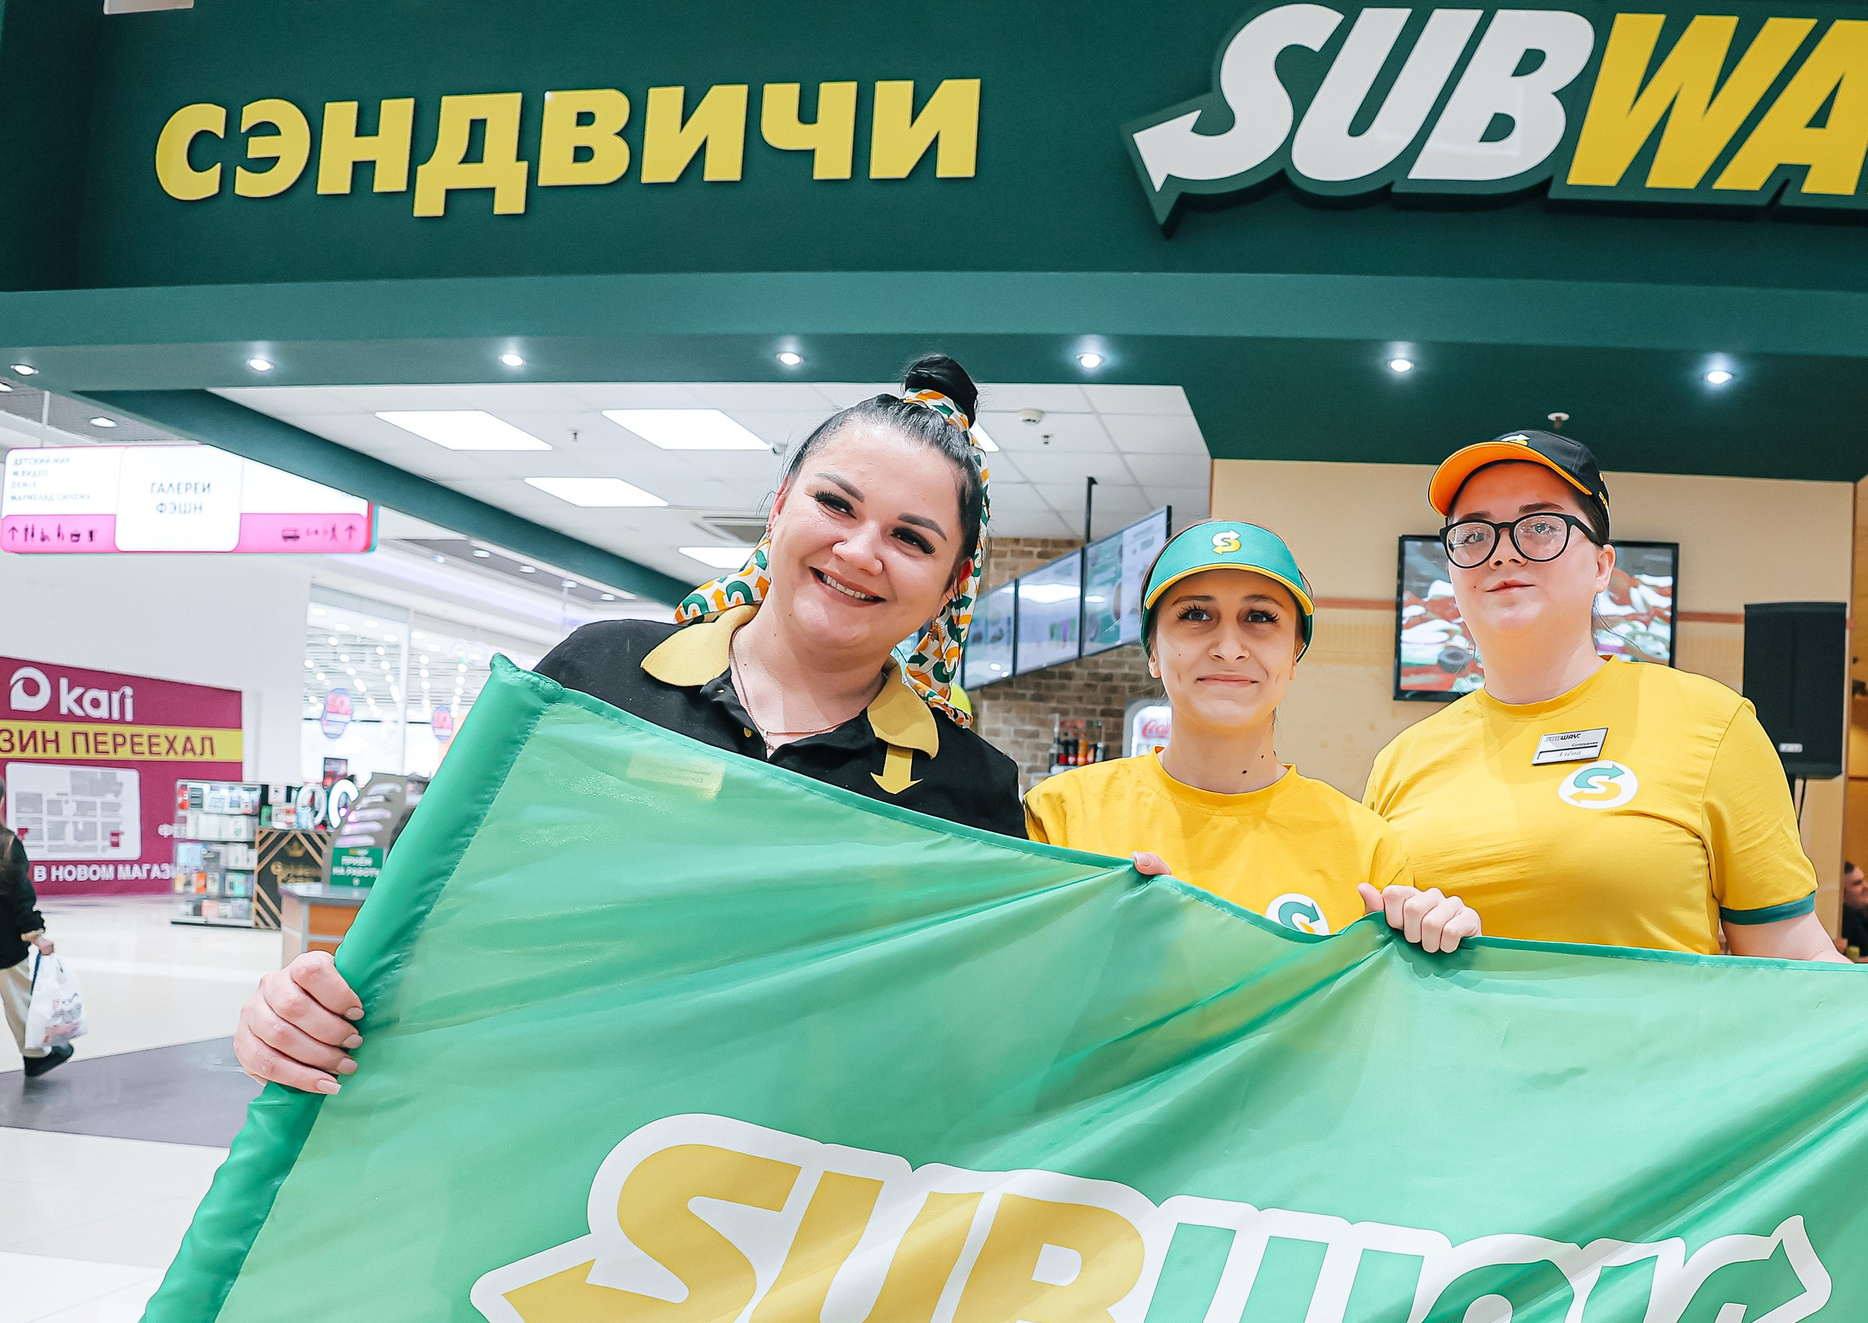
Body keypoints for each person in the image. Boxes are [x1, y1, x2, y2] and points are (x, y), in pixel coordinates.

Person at [236, 354, 1025, 1094]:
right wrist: (300, 1013)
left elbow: (989, 1024)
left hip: (791, 1195)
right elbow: (434, 893)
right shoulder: (600, 674)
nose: (860, 550)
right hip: (537, 1138)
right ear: (782, 503)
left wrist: (1130, 921)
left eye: (911, 538)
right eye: (836, 503)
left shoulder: (968, 786)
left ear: (954, 581)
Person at [1363, 428, 1868, 1016]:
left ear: (1603, 567)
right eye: (1473, 534)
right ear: (1452, 572)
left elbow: (1794, 957)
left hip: (1652, 1155)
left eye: (1543, 527)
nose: (1504, 553)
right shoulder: (1402, 762)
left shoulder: (1710, 724)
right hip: (1456, 1156)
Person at [1027, 521, 1477, 953]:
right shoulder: (1062, 817)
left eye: (1260, 617)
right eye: (1195, 614)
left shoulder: (1368, 848)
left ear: (1295, 653)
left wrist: (1437, 945)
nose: (1228, 647)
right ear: (1153, 652)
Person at [2, 823, 71, 1079]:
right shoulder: (6, 844)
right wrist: (34, 933)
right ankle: (35, 1056)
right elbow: (19, 893)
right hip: (4, 942)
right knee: (18, 1001)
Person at [1839, 862, 1868, 959]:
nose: (1867, 886)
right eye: (1858, 883)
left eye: (1864, 880)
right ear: (1841, 893)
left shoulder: (1855, 915)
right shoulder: (1846, 917)